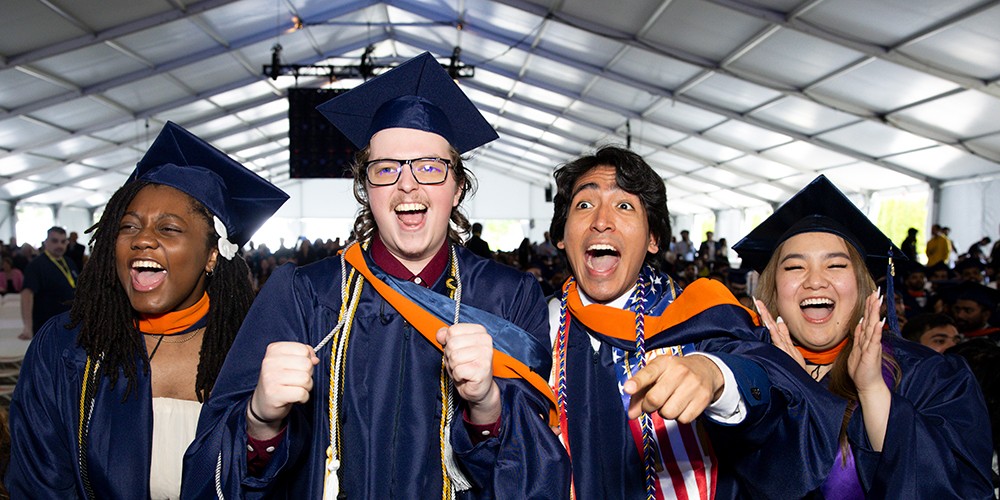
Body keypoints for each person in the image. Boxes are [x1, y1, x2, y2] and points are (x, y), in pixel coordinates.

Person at [183, 52, 569, 498]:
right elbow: (211, 459)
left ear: (458, 187)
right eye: (386, 169)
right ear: (365, 188)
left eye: (429, 167)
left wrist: (487, 405)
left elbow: (540, 470)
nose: (408, 185)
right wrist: (260, 420)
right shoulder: (306, 295)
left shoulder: (510, 297)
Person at [4, 121, 289, 498]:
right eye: (128, 227)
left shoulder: (252, 354)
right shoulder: (68, 348)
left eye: (169, 229)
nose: (142, 240)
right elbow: (39, 483)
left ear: (211, 256)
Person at [547, 146, 844, 499]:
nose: (601, 220)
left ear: (653, 239)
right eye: (584, 205)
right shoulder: (537, 325)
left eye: (625, 205)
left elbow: (761, 373)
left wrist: (714, 374)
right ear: (562, 236)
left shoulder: (700, 313)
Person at [734, 174, 993, 497]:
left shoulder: (931, 376)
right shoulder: (746, 377)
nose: (815, 281)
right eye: (795, 267)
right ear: (773, 289)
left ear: (863, 286)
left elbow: (961, 489)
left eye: (836, 266)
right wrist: (793, 391)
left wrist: (873, 392)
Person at [18, 226, 77, 340]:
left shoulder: (69, 262)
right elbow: (27, 295)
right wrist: (27, 327)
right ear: (46, 242)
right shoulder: (36, 265)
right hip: (46, 326)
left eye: (63, 241)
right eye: (54, 241)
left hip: (69, 324)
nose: (59, 245)